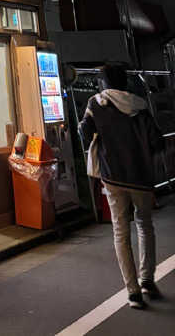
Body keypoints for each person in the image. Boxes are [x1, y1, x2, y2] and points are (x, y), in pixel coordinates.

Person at [79, 63, 165, 309]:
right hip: (140, 176)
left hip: (113, 176)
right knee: (145, 225)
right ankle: (147, 278)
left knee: (120, 231)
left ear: (103, 83)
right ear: (124, 82)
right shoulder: (140, 105)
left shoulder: (96, 104)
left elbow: (85, 133)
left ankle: (133, 291)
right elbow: (157, 142)